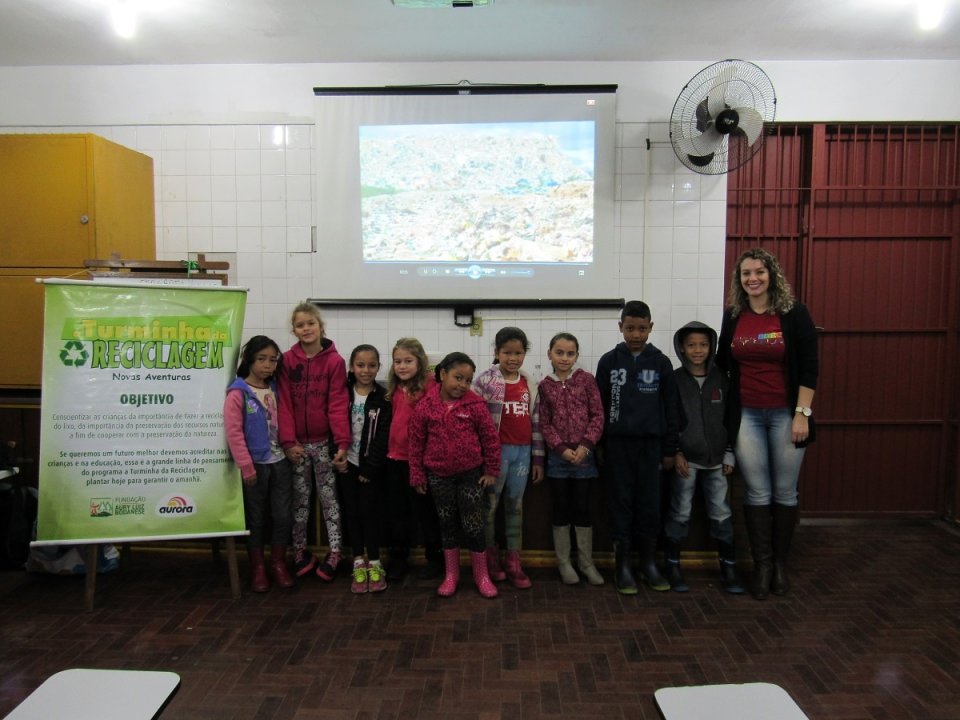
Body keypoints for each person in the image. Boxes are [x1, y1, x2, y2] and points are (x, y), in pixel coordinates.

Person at [717, 247, 818, 600]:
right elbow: (723, 364)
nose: (753, 279)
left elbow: (809, 367)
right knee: (757, 491)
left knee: (785, 491)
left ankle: (779, 566)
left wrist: (801, 415)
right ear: (739, 279)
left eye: (759, 271)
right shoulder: (733, 315)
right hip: (747, 416)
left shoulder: (793, 314)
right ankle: (761, 567)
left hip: (786, 416)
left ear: (771, 274)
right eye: (746, 273)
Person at [596, 300, 680, 595]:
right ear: (620, 327)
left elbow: (671, 409)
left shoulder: (661, 363)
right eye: (630, 328)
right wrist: (601, 445)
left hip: (651, 447)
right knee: (620, 504)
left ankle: (649, 563)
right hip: (618, 446)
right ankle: (623, 566)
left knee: (649, 504)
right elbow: (600, 408)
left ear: (650, 328)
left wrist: (669, 449)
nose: (635, 334)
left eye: (642, 329)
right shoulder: (608, 361)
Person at [408, 352, 502, 598]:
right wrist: (417, 476)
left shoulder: (475, 405)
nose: (463, 385)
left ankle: (482, 576)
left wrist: (491, 469)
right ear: (442, 374)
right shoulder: (425, 406)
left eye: (468, 380)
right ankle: (452, 575)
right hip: (438, 477)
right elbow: (416, 444)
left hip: (470, 476)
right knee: (447, 525)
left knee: (473, 525)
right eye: (458, 378)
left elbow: (490, 439)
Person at [663, 322, 745, 594]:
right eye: (691, 345)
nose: (697, 350)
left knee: (722, 514)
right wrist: (676, 452)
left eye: (703, 344)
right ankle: (673, 566)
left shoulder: (723, 379)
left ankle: (729, 568)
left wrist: (730, 452)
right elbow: (670, 420)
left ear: (711, 347)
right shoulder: (674, 380)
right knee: (680, 512)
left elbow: (732, 419)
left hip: (718, 461)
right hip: (686, 461)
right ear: (681, 349)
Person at [278, 302, 350, 582]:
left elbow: (337, 404)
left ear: (321, 326)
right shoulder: (286, 361)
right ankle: (300, 551)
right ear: (294, 330)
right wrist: (287, 442)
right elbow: (283, 404)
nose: (306, 329)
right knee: (300, 501)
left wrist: (342, 443)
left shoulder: (335, 361)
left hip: (323, 444)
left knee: (329, 500)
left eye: (311, 323)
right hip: (296, 446)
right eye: (300, 325)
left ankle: (334, 551)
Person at [472, 326, 542, 589]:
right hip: (496, 455)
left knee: (515, 507)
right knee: (489, 509)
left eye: (518, 353)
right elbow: (476, 424)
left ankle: (514, 563)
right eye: (507, 352)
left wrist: (537, 459)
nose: (513, 358)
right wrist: (484, 458)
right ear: (496, 352)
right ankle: (491, 561)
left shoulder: (528, 383)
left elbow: (536, 423)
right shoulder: (484, 382)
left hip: (522, 453)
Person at [223, 335, 294, 593]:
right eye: (262, 359)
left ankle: (277, 563)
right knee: (256, 518)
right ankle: (258, 569)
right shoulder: (238, 392)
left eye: (273, 360)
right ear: (249, 359)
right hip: (256, 466)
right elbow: (234, 432)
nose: (268, 365)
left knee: (283, 516)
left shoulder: (275, 388)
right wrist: (246, 465)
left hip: (281, 463)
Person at [536, 332, 605, 586]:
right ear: (550, 354)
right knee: (561, 508)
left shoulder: (586, 380)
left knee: (583, 508)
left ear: (577, 355)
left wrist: (586, 445)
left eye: (570, 353)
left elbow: (598, 415)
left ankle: (586, 563)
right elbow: (544, 422)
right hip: (558, 460)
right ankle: (564, 562)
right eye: (559, 352)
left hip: (585, 458)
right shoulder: (544, 385)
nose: (564, 358)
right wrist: (561, 449)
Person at [384, 337, 443, 582]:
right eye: (398, 361)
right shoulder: (393, 389)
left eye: (408, 361)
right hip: (394, 459)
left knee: (426, 512)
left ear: (420, 363)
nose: (402, 366)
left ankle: (436, 559)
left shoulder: (430, 387)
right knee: (398, 513)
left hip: (420, 461)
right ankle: (398, 558)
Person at [334, 344, 392, 594]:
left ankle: (375, 563)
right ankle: (358, 562)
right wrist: (339, 455)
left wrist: (370, 468)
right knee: (353, 514)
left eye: (371, 365)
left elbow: (383, 436)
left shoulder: (384, 397)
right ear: (352, 367)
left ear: (378, 367)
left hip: (371, 469)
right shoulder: (342, 393)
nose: (365, 370)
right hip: (345, 464)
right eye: (360, 365)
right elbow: (334, 423)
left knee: (371, 514)